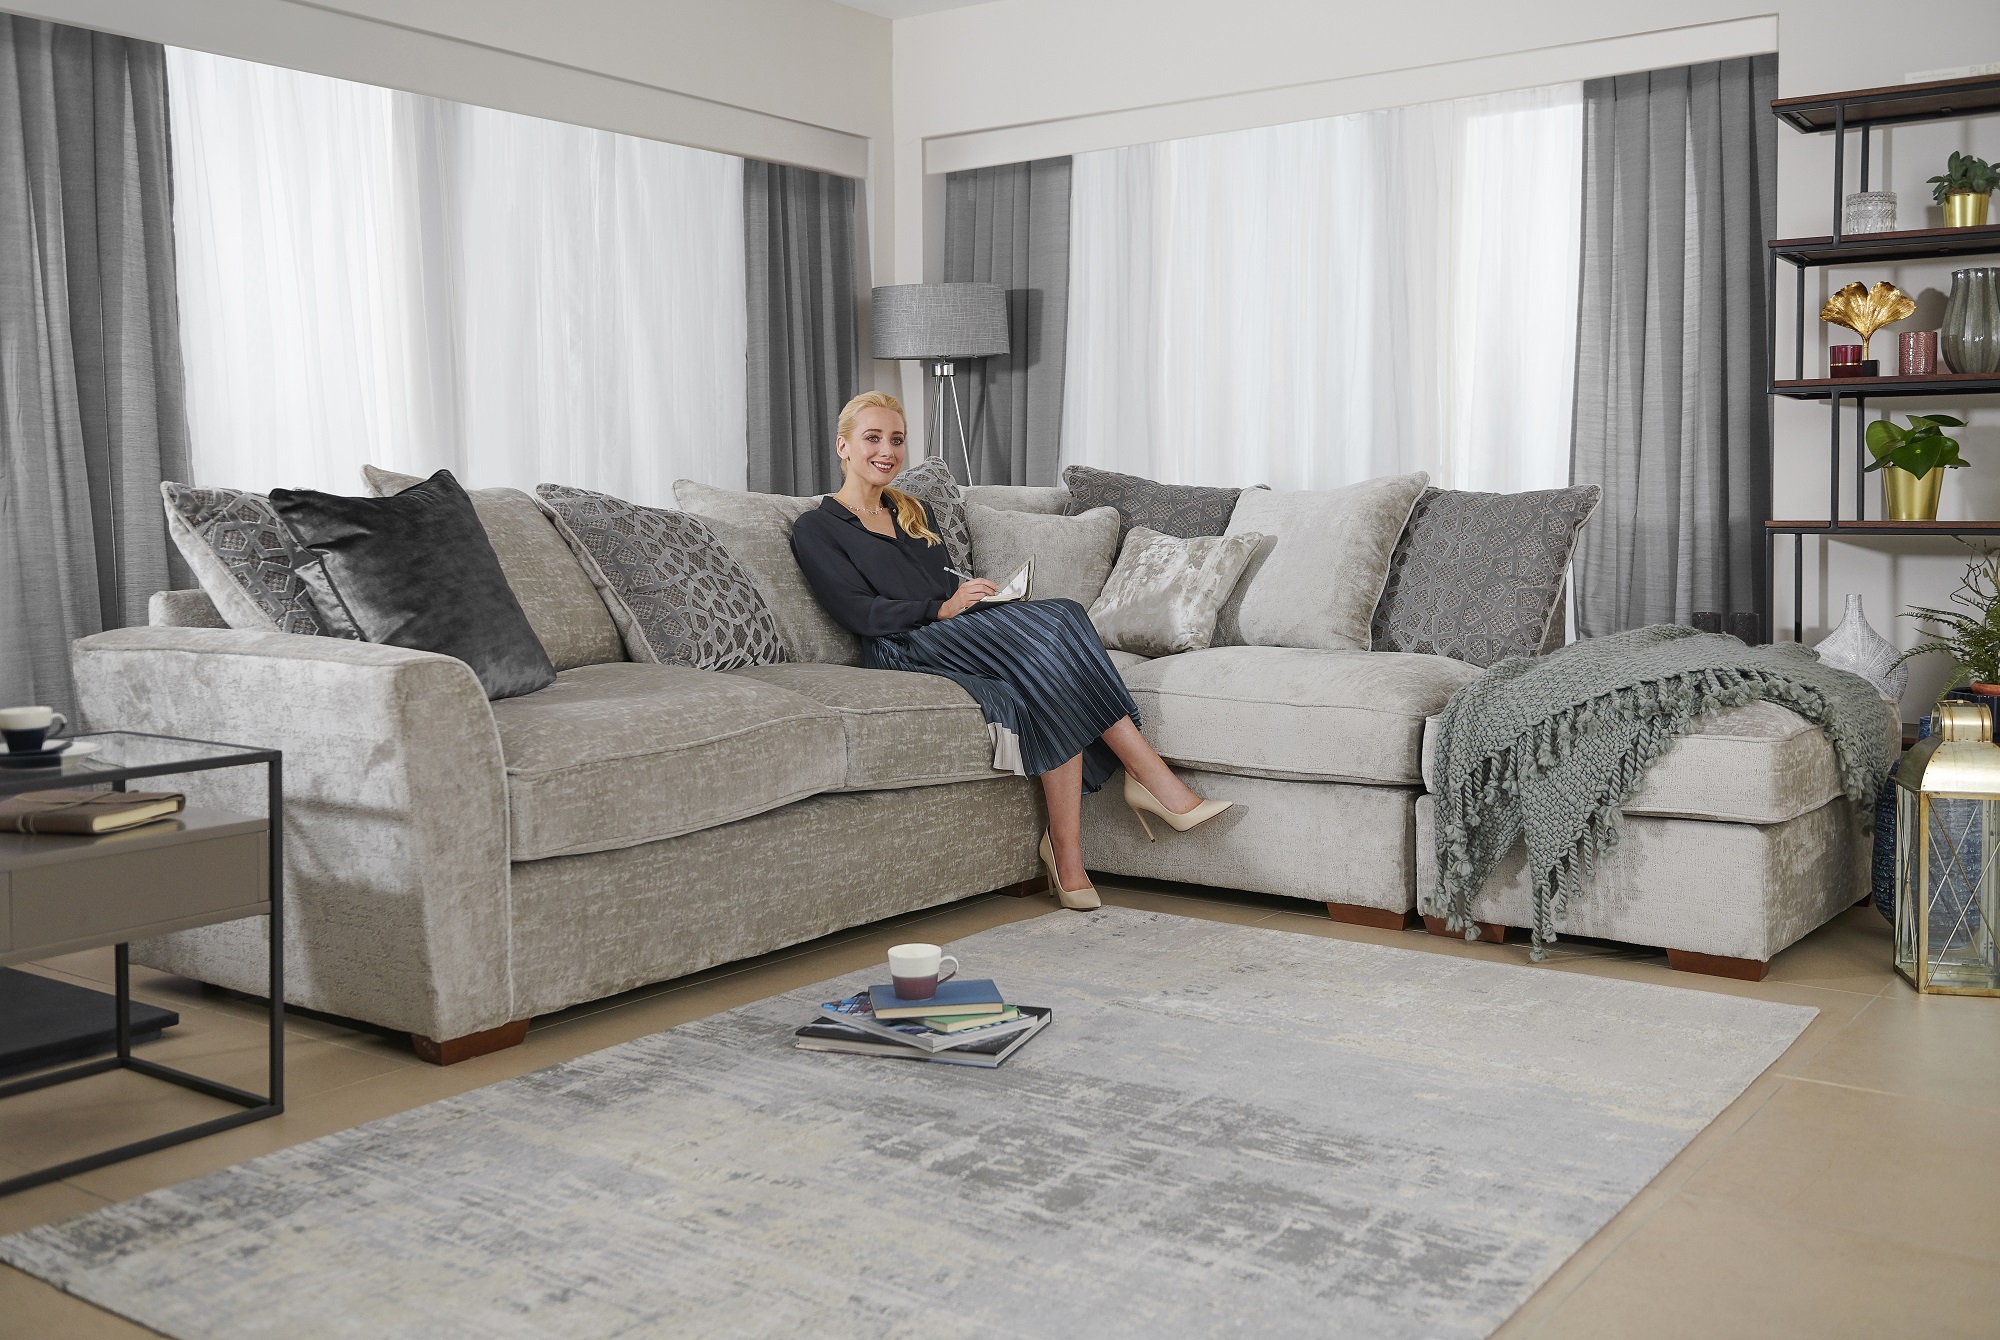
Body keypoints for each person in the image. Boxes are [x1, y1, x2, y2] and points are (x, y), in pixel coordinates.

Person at [789, 391, 1233, 910]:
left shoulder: (916, 511)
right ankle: (1151, 780)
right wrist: (941, 609)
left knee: (1050, 653)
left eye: (897, 439)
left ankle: (1068, 859)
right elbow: (857, 612)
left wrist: (975, 596)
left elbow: (939, 586)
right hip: (900, 645)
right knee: (1061, 619)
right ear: (842, 446)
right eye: (872, 438)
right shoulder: (817, 527)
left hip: (950, 629)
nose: (886, 450)